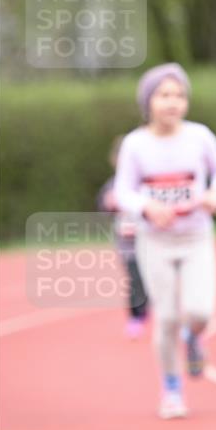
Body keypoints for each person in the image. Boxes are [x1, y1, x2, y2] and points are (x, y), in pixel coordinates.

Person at [114, 63, 216, 419]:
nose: (172, 102)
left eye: (179, 95)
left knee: (200, 311)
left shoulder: (199, 136)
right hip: (155, 241)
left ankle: (193, 336)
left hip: (196, 236)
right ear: (147, 102)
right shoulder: (135, 144)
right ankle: (171, 389)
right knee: (166, 318)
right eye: (164, 95)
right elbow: (123, 191)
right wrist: (147, 206)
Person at [97, 136, 148, 339]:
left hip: (150, 239)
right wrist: (108, 205)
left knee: (153, 278)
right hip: (126, 242)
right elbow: (102, 207)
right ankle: (135, 317)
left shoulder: (146, 181)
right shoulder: (111, 185)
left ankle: (153, 308)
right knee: (134, 279)